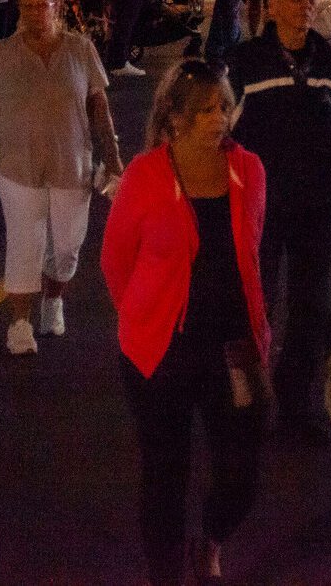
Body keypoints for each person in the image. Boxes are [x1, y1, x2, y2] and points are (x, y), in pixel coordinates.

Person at [100, 59, 270, 586]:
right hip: (161, 350)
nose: (217, 119)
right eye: (203, 111)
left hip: (233, 346)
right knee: (164, 472)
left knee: (241, 468)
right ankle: (166, 571)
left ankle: (212, 536)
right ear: (174, 119)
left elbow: (250, 249)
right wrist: (144, 318)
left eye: (222, 106)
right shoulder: (145, 175)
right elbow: (115, 260)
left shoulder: (250, 171)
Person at [0, 0, 122, 356]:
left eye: (43, 6)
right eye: (27, 6)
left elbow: (99, 105)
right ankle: (19, 324)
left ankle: (53, 298)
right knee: (24, 243)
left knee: (68, 247)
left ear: (57, 6)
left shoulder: (80, 50)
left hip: (73, 164)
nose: (35, 14)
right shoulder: (2, 54)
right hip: (18, 169)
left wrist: (114, 159)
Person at [229, 0, 331, 428]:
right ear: (271, 5)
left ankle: (294, 405)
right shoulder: (244, 63)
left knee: (310, 306)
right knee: (256, 302)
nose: (305, 4)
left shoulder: (329, 63)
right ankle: (248, 400)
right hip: (258, 207)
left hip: (316, 206)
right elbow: (217, 130)